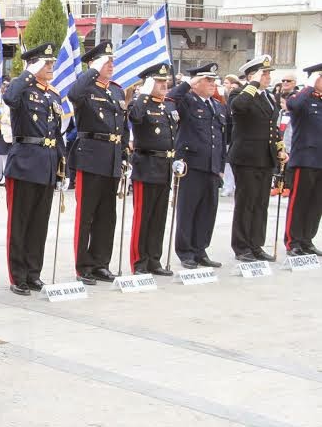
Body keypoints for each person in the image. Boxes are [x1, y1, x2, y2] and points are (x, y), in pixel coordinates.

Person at [2, 42, 65, 295]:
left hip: (47, 165)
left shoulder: (53, 95)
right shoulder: (23, 89)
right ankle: (18, 276)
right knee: (20, 223)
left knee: (39, 225)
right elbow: (8, 97)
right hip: (25, 163)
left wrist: (63, 169)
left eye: (51, 63)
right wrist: (28, 72)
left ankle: (33, 272)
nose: (50, 67)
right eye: (45, 63)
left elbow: (57, 134)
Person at [67, 41, 129, 285]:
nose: (111, 65)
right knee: (87, 215)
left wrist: (123, 154)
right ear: (94, 64)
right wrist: (92, 70)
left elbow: (121, 126)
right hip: (91, 156)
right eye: (106, 61)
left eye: (112, 61)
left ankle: (101, 263)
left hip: (112, 158)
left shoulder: (115, 90)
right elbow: (73, 95)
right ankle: (83, 266)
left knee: (107, 216)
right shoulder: (86, 88)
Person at [167, 64, 226, 269]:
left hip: (211, 166)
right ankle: (186, 252)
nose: (213, 84)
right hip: (191, 165)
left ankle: (200, 249)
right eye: (208, 80)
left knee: (207, 211)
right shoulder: (187, 101)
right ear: (196, 82)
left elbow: (220, 137)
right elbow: (171, 98)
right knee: (188, 209)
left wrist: (220, 165)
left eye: (214, 80)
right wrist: (187, 83)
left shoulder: (217, 106)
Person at [227, 55, 285, 263]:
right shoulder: (239, 93)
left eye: (269, 74)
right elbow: (239, 107)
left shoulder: (268, 97)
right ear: (252, 76)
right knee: (246, 203)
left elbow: (272, 126)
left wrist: (280, 147)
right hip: (246, 157)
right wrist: (252, 84)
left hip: (265, 157)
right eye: (265, 74)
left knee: (261, 203)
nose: (268, 77)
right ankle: (242, 246)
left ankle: (256, 244)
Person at [127, 64, 177, 276]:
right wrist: (142, 94)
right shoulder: (142, 104)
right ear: (149, 83)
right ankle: (139, 261)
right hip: (146, 165)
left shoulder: (168, 106)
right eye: (158, 81)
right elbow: (135, 118)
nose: (164, 84)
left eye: (165, 81)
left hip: (165, 167)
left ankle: (154, 259)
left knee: (159, 217)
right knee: (143, 217)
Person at [283, 63, 322, 257]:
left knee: (316, 204)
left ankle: (307, 240)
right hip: (305, 159)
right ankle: (293, 241)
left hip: (320, 161)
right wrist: (308, 86)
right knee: (299, 202)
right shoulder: (302, 99)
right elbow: (293, 105)